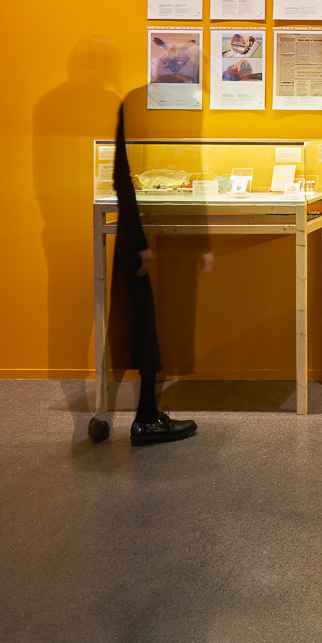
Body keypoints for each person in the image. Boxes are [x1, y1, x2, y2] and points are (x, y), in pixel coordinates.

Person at [113, 103, 210, 445]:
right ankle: (144, 419)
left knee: (148, 325)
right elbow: (121, 178)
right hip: (137, 237)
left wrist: (203, 241)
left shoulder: (133, 108)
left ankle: (144, 415)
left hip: (138, 234)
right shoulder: (132, 108)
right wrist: (140, 244)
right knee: (144, 326)